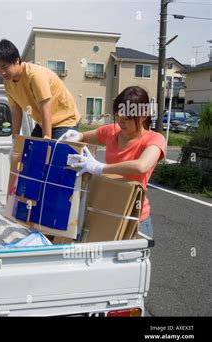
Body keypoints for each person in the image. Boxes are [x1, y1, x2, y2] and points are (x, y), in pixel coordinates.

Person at [59, 86, 166, 238]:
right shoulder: (112, 132)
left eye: (127, 120)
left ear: (143, 115)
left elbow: (142, 166)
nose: (121, 123)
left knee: (134, 261)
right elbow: (84, 136)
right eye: (118, 117)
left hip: (135, 217)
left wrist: (100, 168)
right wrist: (76, 135)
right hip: (108, 212)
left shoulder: (154, 139)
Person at [0, 39, 81, 141]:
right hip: (43, 122)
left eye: (4, 67)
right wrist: (15, 138)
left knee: (53, 154)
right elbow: (16, 110)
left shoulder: (34, 76)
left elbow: (46, 109)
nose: (2, 73)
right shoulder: (7, 82)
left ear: (16, 60)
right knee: (30, 151)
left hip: (65, 120)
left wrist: (47, 139)